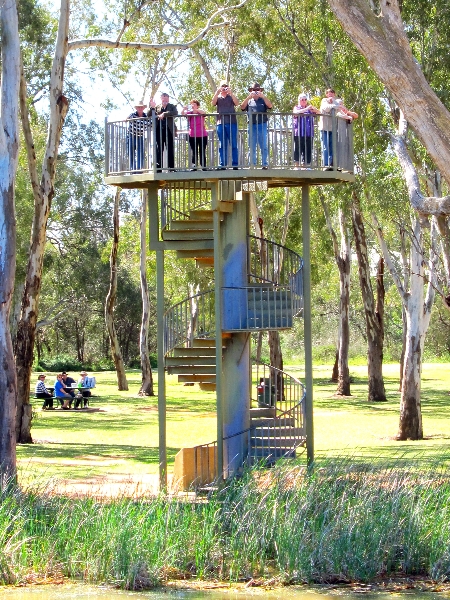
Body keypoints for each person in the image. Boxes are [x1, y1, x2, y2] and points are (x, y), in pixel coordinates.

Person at [240, 82, 273, 169]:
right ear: (251, 91)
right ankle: (252, 164)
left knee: (264, 146)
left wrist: (263, 96)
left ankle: (265, 164)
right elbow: (242, 107)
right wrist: (248, 97)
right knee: (251, 146)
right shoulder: (249, 101)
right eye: (254, 90)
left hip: (262, 125)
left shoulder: (263, 100)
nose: (256, 92)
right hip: (252, 125)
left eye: (257, 90)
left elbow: (270, 106)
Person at [211, 80, 240, 170]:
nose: (224, 88)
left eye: (225, 86)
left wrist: (231, 93)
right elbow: (212, 103)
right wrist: (217, 92)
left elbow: (237, 103)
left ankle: (235, 164)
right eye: (222, 86)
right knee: (222, 144)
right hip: (220, 123)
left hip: (232, 123)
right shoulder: (218, 97)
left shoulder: (230, 96)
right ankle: (222, 164)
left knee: (234, 144)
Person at [149, 92, 178, 171]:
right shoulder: (157, 107)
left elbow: (175, 112)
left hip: (169, 130)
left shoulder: (172, 106)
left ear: (168, 99)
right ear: (161, 99)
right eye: (163, 98)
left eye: (166, 98)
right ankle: (159, 168)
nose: (165, 100)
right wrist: (152, 107)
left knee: (170, 149)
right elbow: (149, 115)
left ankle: (171, 168)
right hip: (159, 130)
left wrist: (164, 114)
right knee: (159, 149)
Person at [292, 93, 320, 169]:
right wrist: (306, 109)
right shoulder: (297, 107)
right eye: (302, 99)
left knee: (308, 149)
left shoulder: (310, 109)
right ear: (299, 100)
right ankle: (296, 166)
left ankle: (306, 166)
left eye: (305, 99)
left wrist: (314, 109)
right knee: (298, 148)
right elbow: (295, 113)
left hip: (309, 133)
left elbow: (319, 112)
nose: (304, 101)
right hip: (299, 132)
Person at [182, 99, 208, 170]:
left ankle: (203, 166)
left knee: (202, 150)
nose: (193, 105)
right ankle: (194, 166)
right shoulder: (190, 113)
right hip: (193, 135)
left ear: (197, 105)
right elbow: (183, 113)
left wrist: (196, 110)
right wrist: (184, 109)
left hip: (202, 135)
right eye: (192, 104)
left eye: (194, 104)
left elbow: (204, 113)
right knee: (194, 151)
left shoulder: (200, 112)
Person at [318, 88, 340, 169]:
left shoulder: (336, 101)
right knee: (325, 147)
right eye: (328, 93)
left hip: (333, 128)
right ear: (326, 94)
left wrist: (335, 105)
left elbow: (339, 108)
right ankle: (326, 165)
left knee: (332, 147)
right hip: (324, 128)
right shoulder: (324, 100)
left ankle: (332, 165)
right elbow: (326, 108)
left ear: (334, 94)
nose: (330, 94)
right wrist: (334, 106)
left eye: (332, 93)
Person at [335, 98, 358, 172]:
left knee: (346, 150)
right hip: (338, 136)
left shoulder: (345, 113)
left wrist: (348, 112)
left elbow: (356, 115)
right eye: (339, 104)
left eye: (342, 104)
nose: (341, 106)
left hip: (345, 136)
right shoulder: (337, 112)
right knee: (339, 150)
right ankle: (339, 167)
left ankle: (345, 168)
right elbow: (340, 115)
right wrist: (348, 117)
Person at [127, 100, 150, 171]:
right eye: (138, 107)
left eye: (141, 107)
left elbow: (150, 124)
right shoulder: (133, 115)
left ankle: (139, 169)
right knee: (130, 152)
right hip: (131, 135)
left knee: (140, 152)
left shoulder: (146, 116)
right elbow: (126, 118)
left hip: (140, 136)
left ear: (143, 108)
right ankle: (133, 168)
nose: (140, 109)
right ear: (136, 108)